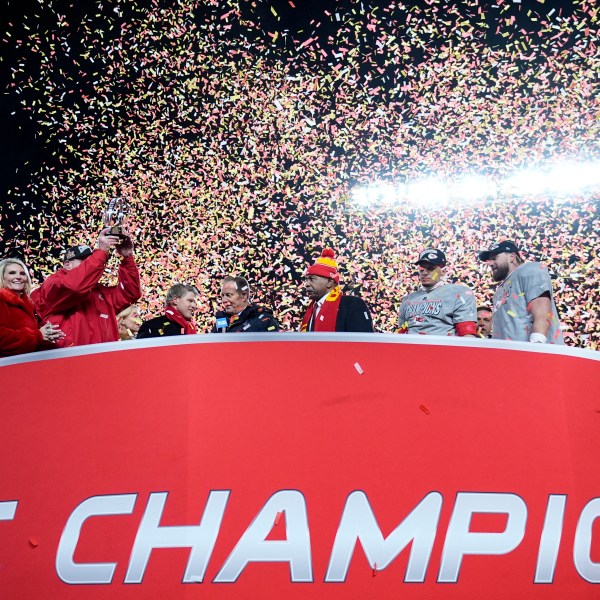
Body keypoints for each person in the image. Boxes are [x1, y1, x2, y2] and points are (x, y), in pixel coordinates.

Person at [31, 229, 142, 348]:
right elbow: (75, 286)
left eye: (92, 259)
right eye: (84, 261)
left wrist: (127, 258)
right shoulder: (53, 284)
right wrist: (101, 251)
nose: (91, 263)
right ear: (67, 264)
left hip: (102, 359)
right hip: (69, 361)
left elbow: (131, 293)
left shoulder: (100, 292)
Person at [478, 240, 564, 344]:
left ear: (512, 257)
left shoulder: (529, 269)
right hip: (509, 355)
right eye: (489, 260)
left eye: (494, 258)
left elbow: (542, 313)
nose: (490, 263)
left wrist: (537, 345)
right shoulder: (499, 292)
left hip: (532, 354)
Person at [398, 249, 477, 336]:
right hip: (412, 347)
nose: (425, 272)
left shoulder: (459, 293)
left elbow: (467, 333)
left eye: (431, 269)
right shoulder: (408, 299)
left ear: (443, 271)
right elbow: (401, 333)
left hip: (443, 347)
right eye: (422, 269)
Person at [0, 258, 64, 356]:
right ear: (2, 278)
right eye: (12, 273)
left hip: (26, 363)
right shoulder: (2, 299)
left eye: (22, 273)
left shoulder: (27, 303)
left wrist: (47, 336)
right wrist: (38, 335)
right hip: (8, 367)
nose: (18, 277)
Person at [300, 248, 374, 332]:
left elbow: (362, 341)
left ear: (329, 282)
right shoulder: (311, 309)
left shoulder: (351, 305)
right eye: (306, 279)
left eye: (312, 279)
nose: (306, 284)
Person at [212, 276, 279, 333]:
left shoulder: (264, 319)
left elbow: (274, 346)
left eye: (228, 295)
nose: (224, 300)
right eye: (222, 296)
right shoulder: (222, 320)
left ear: (244, 296)